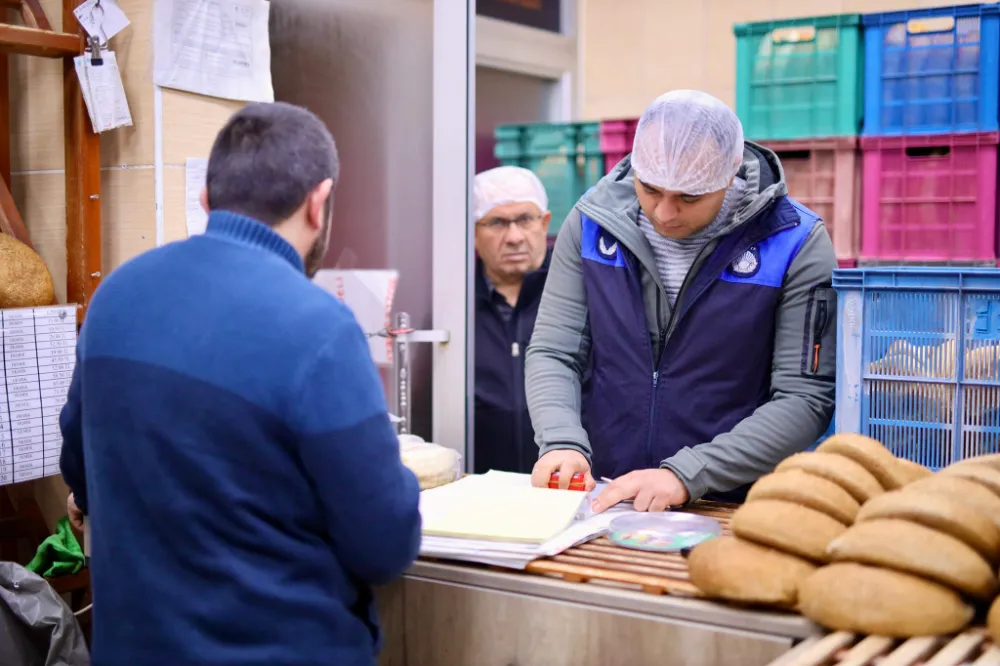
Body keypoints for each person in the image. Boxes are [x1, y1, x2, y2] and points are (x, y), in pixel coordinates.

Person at [59, 102, 421, 666]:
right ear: (318, 202)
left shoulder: (116, 296)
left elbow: (80, 465)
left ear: (207, 199)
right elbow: (382, 546)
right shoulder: (318, 327)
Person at [526, 90, 837, 512]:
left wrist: (690, 472)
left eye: (689, 197)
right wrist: (560, 439)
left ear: (729, 174)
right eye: (650, 189)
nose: (664, 213)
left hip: (730, 502)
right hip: (606, 494)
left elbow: (805, 398)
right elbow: (554, 351)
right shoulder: (591, 225)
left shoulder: (793, 242)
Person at [473, 166, 551, 474]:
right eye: (496, 223)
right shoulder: (455, 306)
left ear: (545, 223)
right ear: (473, 232)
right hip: (481, 486)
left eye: (525, 219)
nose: (514, 237)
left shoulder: (577, 294)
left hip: (571, 486)